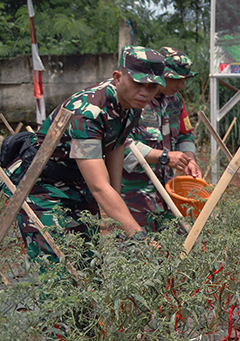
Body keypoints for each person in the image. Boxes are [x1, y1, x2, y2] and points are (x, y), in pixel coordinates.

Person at [2, 47, 166, 266]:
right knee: (58, 270)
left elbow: (116, 147)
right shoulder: (88, 113)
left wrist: (115, 203)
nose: (145, 92)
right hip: (42, 186)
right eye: (138, 83)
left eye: (152, 86)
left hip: (77, 183)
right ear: (118, 78)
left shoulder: (132, 105)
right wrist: (137, 236)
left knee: (90, 264)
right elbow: (98, 187)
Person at [121, 47, 201, 231]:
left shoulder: (176, 100)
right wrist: (163, 156)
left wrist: (189, 159)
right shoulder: (134, 100)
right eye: (175, 78)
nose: (180, 84)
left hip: (167, 190)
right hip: (134, 193)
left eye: (184, 79)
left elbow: (185, 133)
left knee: (172, 244)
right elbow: (121, 143)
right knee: (136, 249)